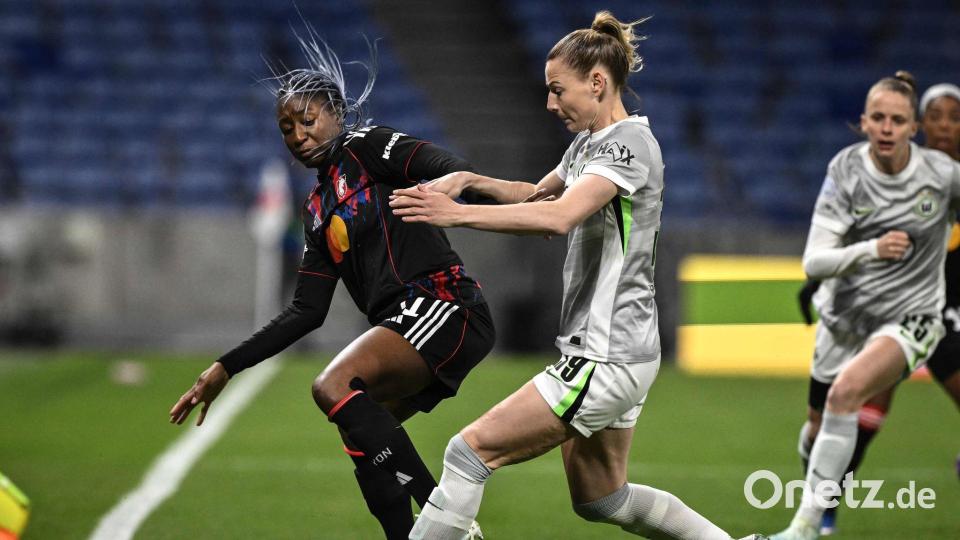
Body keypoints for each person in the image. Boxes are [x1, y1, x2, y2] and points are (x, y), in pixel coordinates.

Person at [391, 11, 759, 540]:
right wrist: (467, 181)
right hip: (618, 350)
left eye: (557, 90)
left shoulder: (627, 146)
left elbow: (559, 218)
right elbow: (536, 196)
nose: (549, 103)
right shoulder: (590, 143)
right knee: (603, 498)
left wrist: (454, 216)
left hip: (605, 355)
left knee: (468, 453)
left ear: (597, 82)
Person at [168, 24, 494, 540]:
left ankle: (445, 517)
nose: (298, 135)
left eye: (307, 119)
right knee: (359, 434)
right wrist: (225, 368)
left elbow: (447, 166)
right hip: (407, 322)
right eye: (286, 128)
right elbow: (306, 311)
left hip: (445, 304)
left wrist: (475, 190)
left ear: (336, 113)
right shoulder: (317, 209)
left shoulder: (368, 147)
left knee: (332, 386)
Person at [771, 72, 960, 540]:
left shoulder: (943, 177)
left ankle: (803, 528)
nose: (888, 127)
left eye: (898, 119)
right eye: (878, 118)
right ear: (863, 123)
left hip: (914, 316)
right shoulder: (845, 171)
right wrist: (871, 250)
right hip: (845, 318)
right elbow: (814, 260)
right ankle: (823, 498)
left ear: (911, 127)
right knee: (818, 430)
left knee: (846, 393)